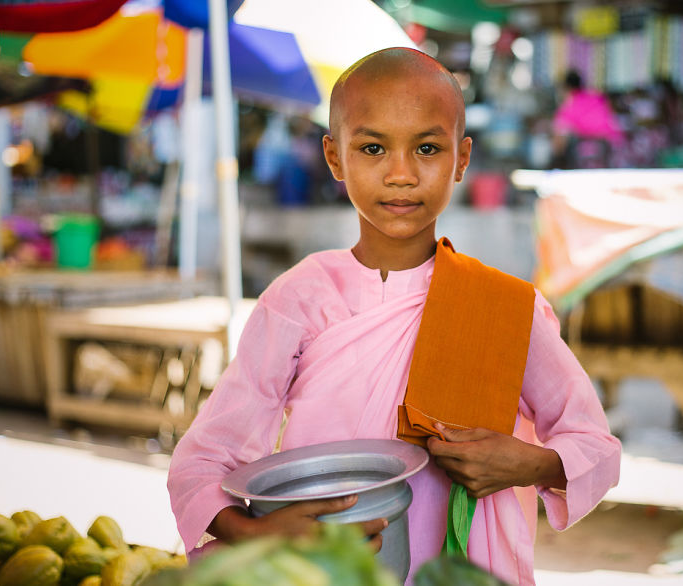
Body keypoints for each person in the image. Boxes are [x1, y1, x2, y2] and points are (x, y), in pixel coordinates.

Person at [167, 47, 621, 586]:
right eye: (373, 148)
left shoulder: (502, 308)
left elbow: (595, 447)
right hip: (321, 572)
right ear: (335, 158)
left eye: (427, 148)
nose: (401, 174)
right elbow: (204, 461)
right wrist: (254, 532)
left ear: (461, 159)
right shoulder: (300, 298)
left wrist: (528, 463)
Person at [551, 70, 624, 168]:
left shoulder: (568, 108)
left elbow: (559, 145)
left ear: (565, 88)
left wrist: (554, 161)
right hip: (618, 149)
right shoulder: (598, 96)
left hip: (593, 155)